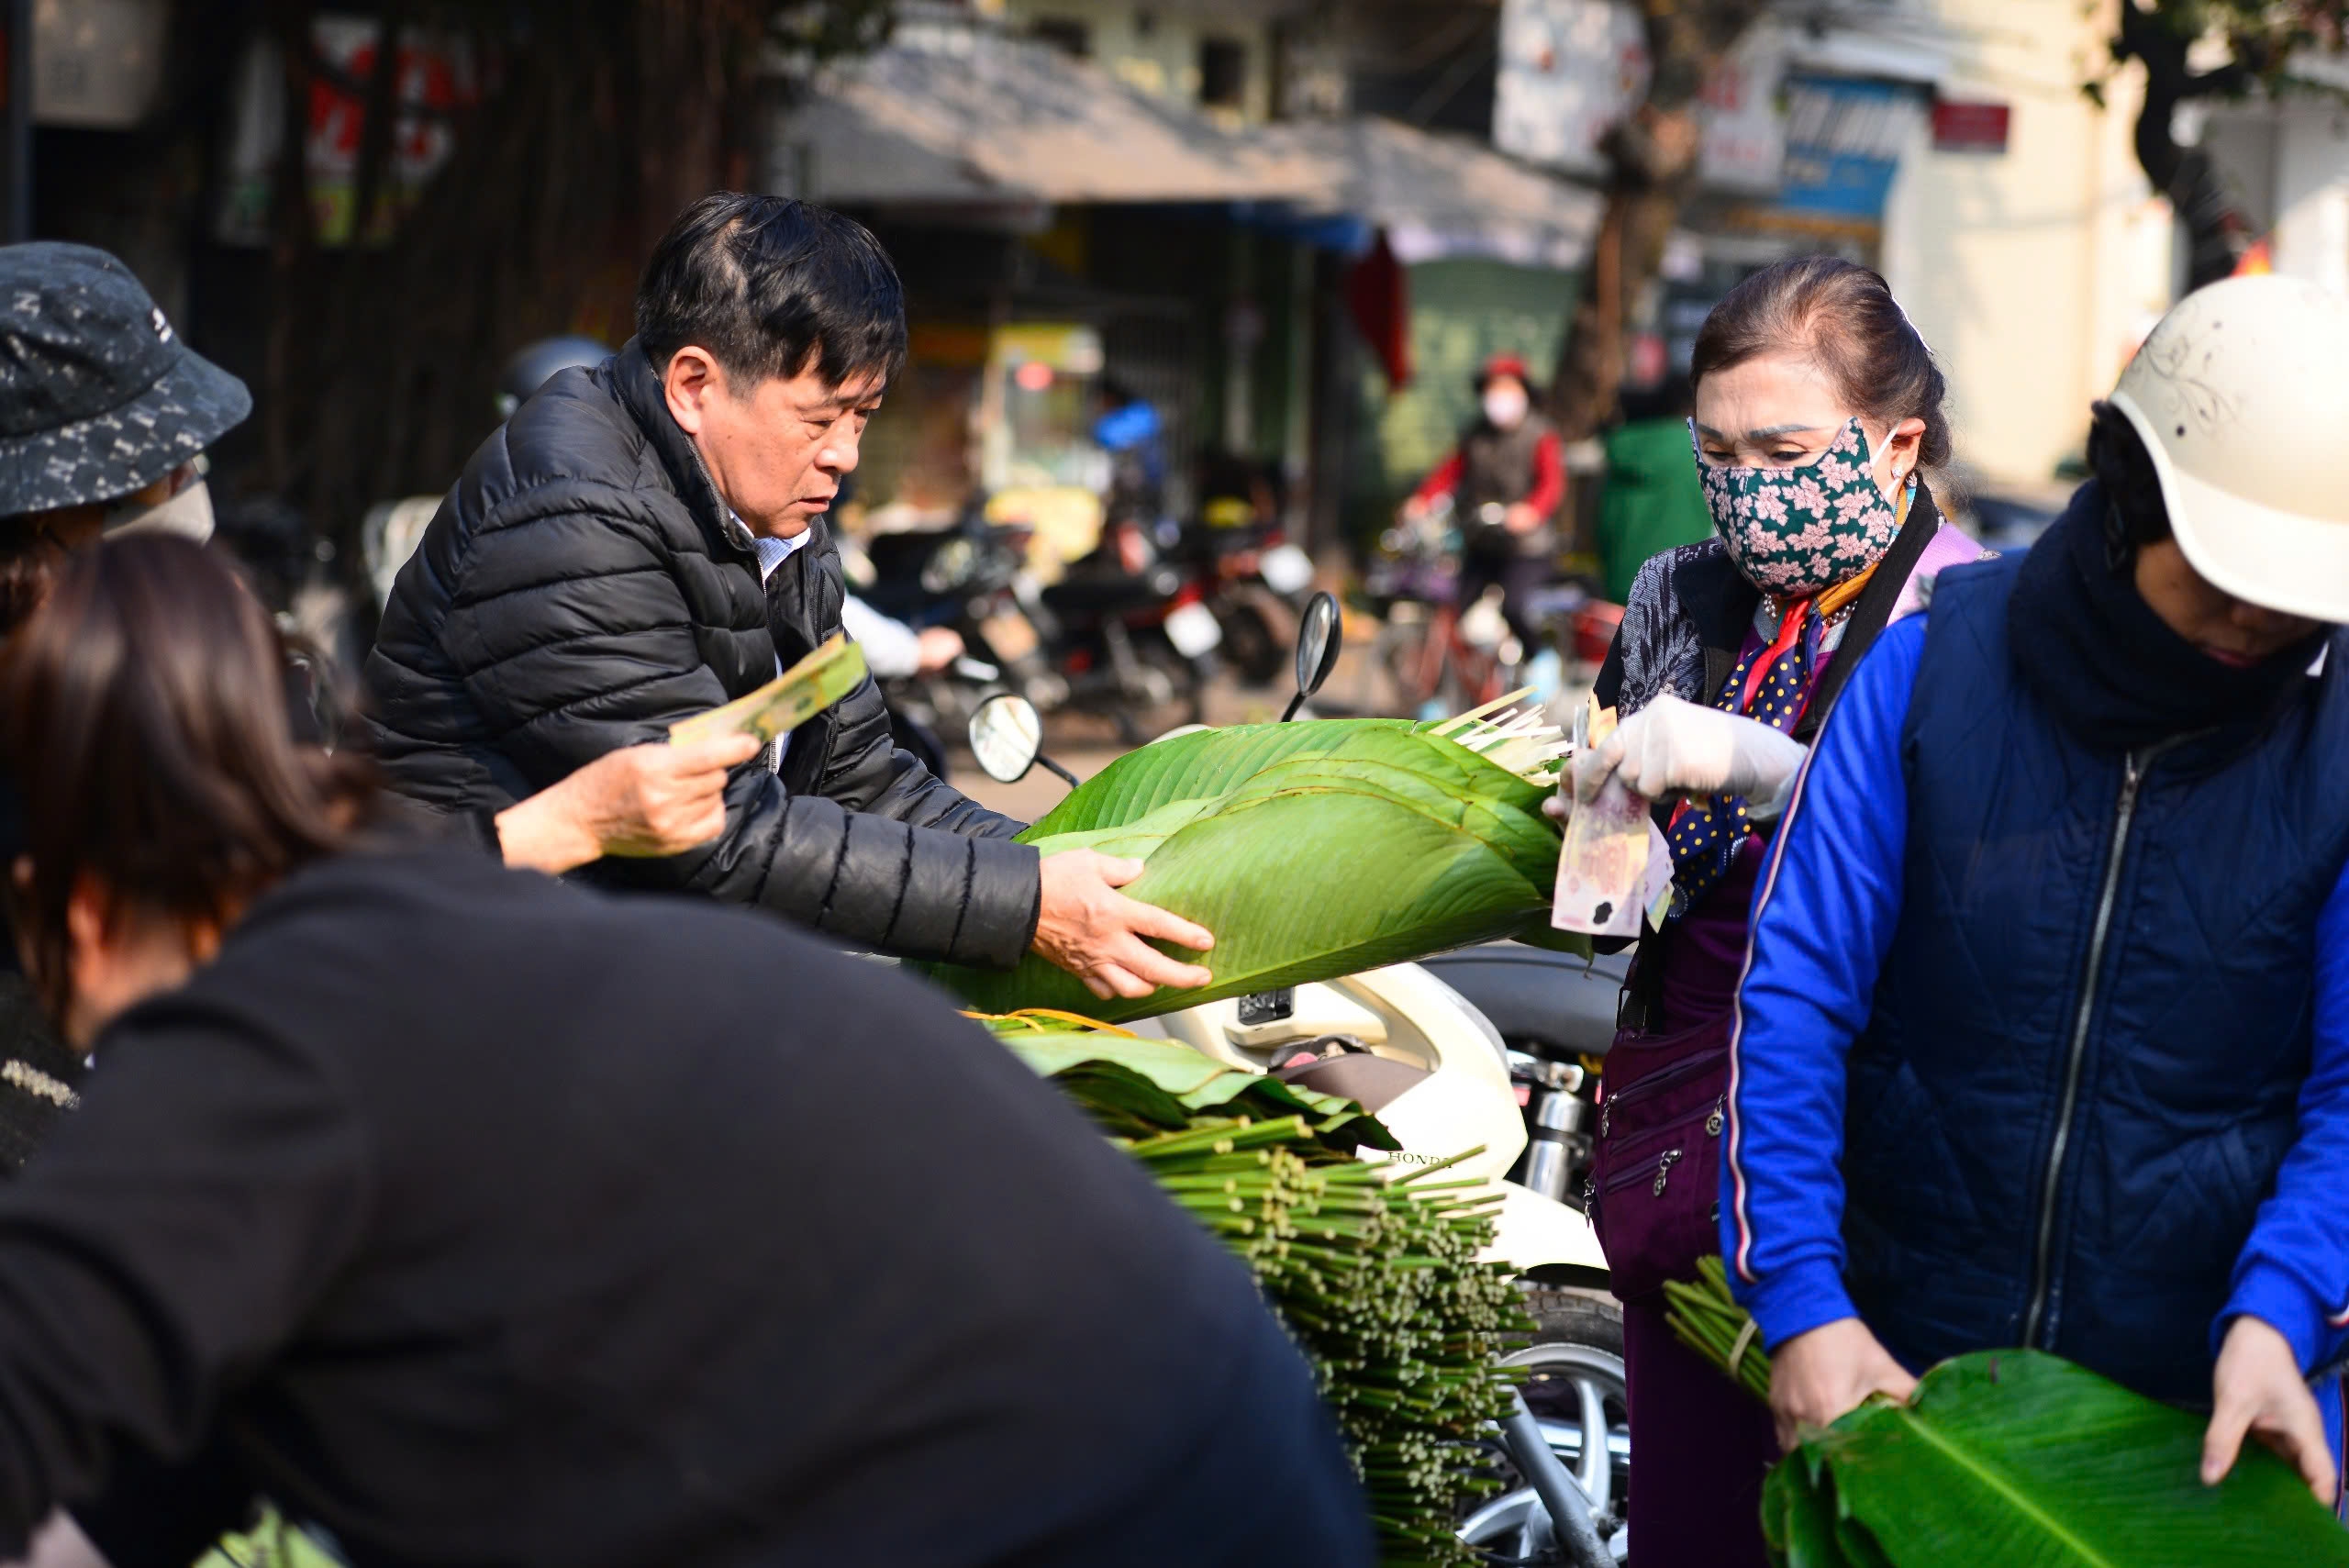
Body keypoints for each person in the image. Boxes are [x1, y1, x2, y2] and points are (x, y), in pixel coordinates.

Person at [0, 533, 1376, 1568]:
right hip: (1207, 1418)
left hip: (1077, 1503)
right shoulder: (405, 923)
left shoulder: (255, 1043)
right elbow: (132, 1488)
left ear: (59, 900)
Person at [1726, 276, 2349, 1507]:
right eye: (2221, 572)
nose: (2250, 618)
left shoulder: (2334, 746)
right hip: (1906, 1396)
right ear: (2128, 504)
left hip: (2206, 1427)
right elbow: (1793, 1001)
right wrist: (1802, 1302)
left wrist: (2282, 1313)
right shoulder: (1926, 675)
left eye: (2291, 594)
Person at [0, 242, 760, 1178]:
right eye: (160, 468)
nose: (190, 488)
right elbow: (286, 905)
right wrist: (568, 821)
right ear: (52, 514)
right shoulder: (107, 707)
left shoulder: (195, 655)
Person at [366, 194, 1211, 1003]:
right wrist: (1024, 904)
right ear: (695, 386)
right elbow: (708, 833)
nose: (845, 455)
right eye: (820, 420)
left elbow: (859, 774)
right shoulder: (572, 508)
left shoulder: (768, 512)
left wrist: (1081, 873)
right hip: (490, 971)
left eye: (863, 418)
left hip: (652, 952)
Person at [1564, 257, 1982, 1568]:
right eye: (1720, 451)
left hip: (1869, 1163)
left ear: (1896, 442)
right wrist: (1586, 822)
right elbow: (1606, 911)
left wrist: (1772, 774)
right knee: (1692, 1523)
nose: (1750, 484)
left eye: (1786, 450)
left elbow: (1973, 883)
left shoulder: (1969, 618)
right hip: (1682, 1162)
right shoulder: (1674, 601)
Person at [1400, 352, 1564, 648]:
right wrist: (1422, 500)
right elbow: (1450, 472)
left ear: (1523, 393)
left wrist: (1530, 512)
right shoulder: (1475, 435)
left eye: (1507, 389)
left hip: (1525, 548)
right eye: (1493, 390)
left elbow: (1552, 484)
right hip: (1482, 541)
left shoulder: (1541, 435)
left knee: (1515, 607)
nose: (1499, 397)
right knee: (1453, 611)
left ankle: (1541, 659)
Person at [1594, 373, 1716, 606]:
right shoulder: (1701, 452)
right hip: (1682, 586)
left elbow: (1603, 521)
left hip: (1617, 583)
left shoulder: (1619, 449)